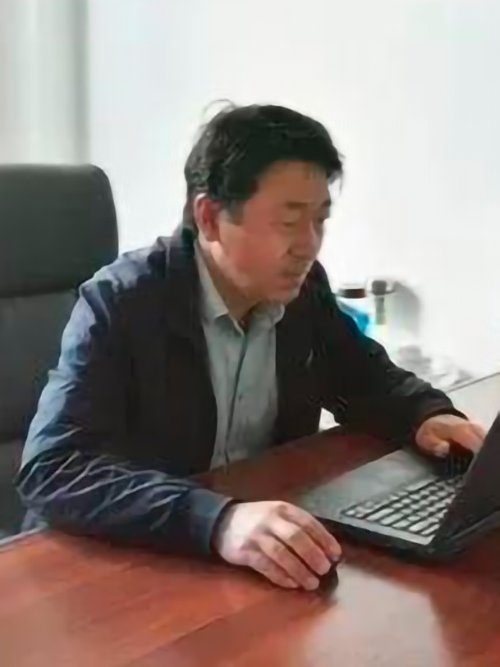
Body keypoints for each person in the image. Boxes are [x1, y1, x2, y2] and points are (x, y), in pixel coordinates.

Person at [17, 104, 486, 592]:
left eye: (320, 221)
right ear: (210, 217)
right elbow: (55, 469)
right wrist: (219, 520)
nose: (309, 245)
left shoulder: (302, 292)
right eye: (289, 221)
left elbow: (362, 376)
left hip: (252, 559)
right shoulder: (123, 302)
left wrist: (426, 415)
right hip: (122, 569)